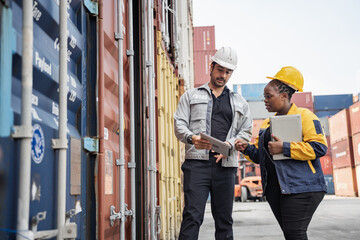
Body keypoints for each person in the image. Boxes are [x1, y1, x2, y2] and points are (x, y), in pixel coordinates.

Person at [235, 66, 328, 240]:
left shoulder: (305, 116)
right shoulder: (266, 124)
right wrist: (246, 148)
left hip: (302, 188)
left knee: (295, 233)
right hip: (276, 190)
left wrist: (285, 148)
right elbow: (259, 157)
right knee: (291, 234)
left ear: (284, 96)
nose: (265, 100)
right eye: (264, 96)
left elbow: (319, 148)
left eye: (269, 96)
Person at [174, 47, 252, 239]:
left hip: (225, 166)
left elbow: (246, 131)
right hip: (197, 165)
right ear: (211, 67)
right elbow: (179, 124)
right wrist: (193, 138)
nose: (223, 75)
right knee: (192, 216)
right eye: (220, 70)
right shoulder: (191, 96)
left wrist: (229, 145)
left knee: (224, 220)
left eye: (228, 72)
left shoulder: (240, 102)